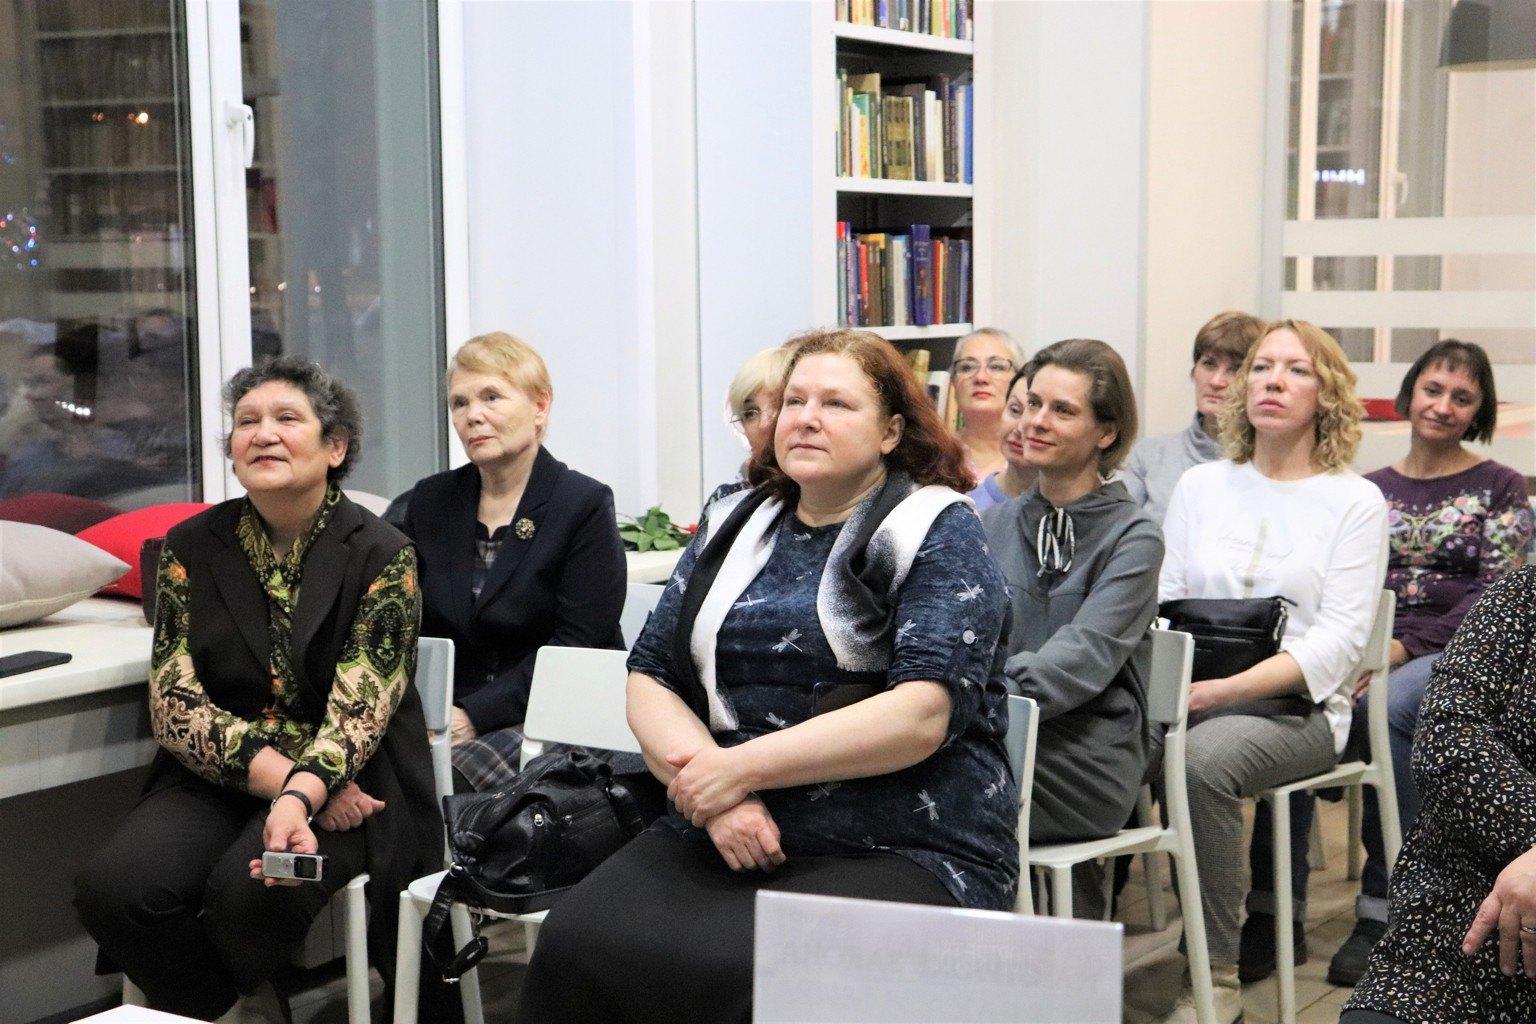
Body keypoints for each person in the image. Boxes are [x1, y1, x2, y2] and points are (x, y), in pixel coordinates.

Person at [513, 328, 1017, 1024]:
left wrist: (736, 771)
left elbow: (921, 714)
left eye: (836, 404)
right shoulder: (733, 518)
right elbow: (651, 674)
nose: (805, 418)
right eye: (793, 401)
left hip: (899, 835)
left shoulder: (935, 527)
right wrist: (719, 799)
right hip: (728, 822)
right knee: (579, 941)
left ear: (891, 432)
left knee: (771, 977)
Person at [73, 358, 439, 1022]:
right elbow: (175, 706)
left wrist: (305, 794)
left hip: (354, 782)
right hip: (229, 774)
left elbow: (360, 712)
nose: (263, 433)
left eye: (286, 418)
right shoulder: (190, 547)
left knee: (249, 894)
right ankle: (233, 1007)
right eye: (247, 421)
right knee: (115, 891)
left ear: (335, 447)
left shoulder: (384, 554)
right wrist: (289, 785)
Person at [1155, 320, 1388, 1024]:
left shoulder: (1354, 501)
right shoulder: (1200, 486)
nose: (1273, 381)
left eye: (1296, 370)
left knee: (1199, 762)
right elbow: (1164, 603)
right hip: (1192, 692)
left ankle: (1213, 978)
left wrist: (1219, 693)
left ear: (1326, 394)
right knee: (1082, 740)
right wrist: (1174, 693)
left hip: (1302, 712)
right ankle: (1068, 951)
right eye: (1261, 367)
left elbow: (1338, 645)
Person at [1326, 340, 1532, 984]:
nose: (1443, 406)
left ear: (1479, 412)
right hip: (1367, 645)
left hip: (1459, 649)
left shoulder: (1500, 486)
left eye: (1462, 397)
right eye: (1433, 390)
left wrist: (1401, 650)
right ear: (1409, 394)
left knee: (1391, 704)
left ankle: (1392, 899)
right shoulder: (1367, 489)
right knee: (1303, 697)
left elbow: (1497, 593)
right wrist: (1357, 653)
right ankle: (1270, 908)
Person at [981, 339, 1162, 917]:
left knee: (928, 785)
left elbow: (1080, 660)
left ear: (1105, 432)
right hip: (991, 734)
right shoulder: (991, 523)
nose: (1036, 421)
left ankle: (1020, 959)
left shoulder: (1134, 537)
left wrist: (967, 700)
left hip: (1086, 756)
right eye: (1032, 403)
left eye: (1062, 410)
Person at [402, 331, 627, 793]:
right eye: (459, 403)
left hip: (553, 716)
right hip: (445, 716)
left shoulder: (581, 503)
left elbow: (578, 644)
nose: (472, 415)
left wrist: (473, 716)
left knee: (429, 787)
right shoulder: (432, 500)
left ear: (540, 407)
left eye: (491, 397)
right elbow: (406, 624)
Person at [1341, 567, 1536, 1024]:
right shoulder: (1523, 594)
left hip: (1424, 637)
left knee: (1390, 705)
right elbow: (1447, 734)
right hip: (1459, 903)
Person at [1121, 310, 1265, 527]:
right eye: (1209, 364)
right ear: (1194, 371)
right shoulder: (1151, 455)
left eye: (1235, 369)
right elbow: (1120, 534)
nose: (1216, 381)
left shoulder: (1268, 463)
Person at [703, 344, 794, 511]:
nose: (764, 423)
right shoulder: (724, 504)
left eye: (779, 404)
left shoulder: (837, 501)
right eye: (750, 413)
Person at [950, 326, 1025, 483]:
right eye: (967, 367)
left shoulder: (1036, 458)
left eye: (996, 366)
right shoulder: (934, 456)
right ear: (953, 383)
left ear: (1019, 380)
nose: (981, 378)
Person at [967, 366, 1038, 511]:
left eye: (1035, 417)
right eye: (1015, 410)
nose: (1019, 429)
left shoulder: (1074, 512)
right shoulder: (968, 508)